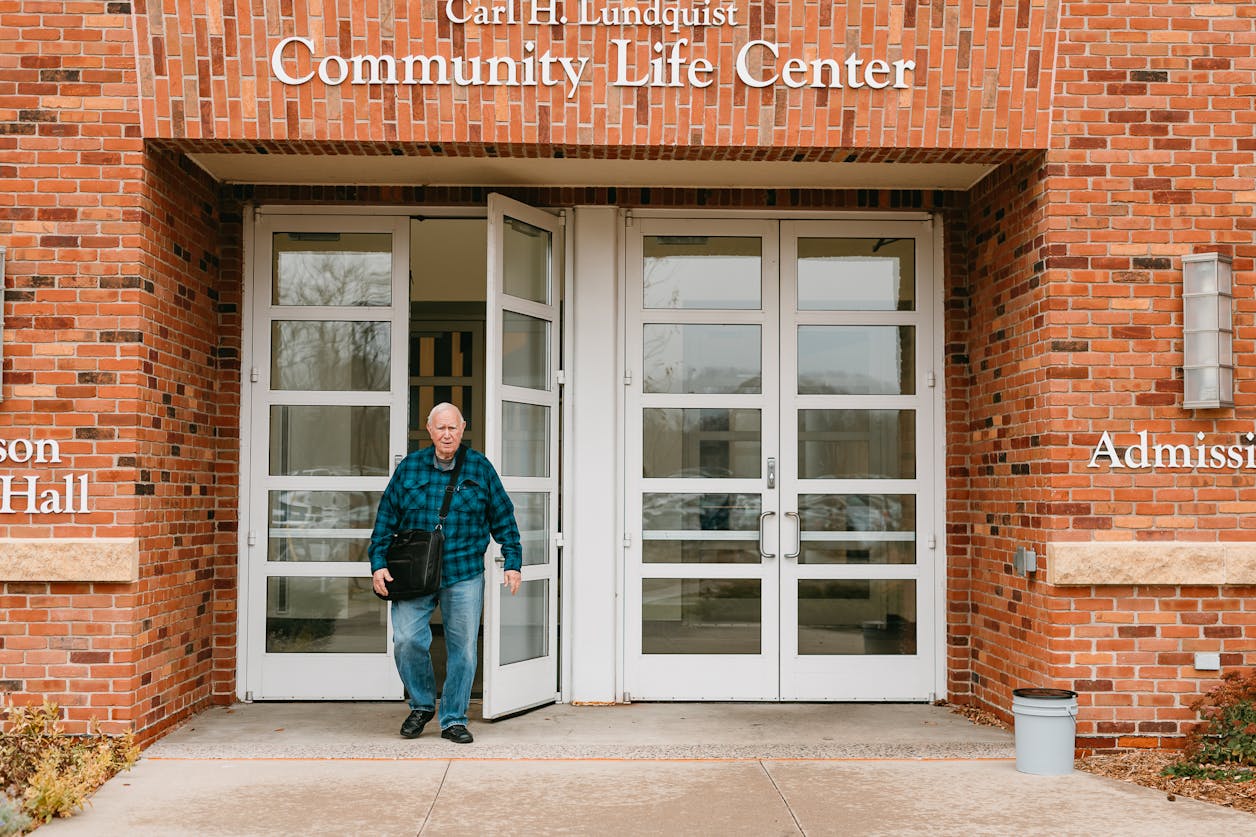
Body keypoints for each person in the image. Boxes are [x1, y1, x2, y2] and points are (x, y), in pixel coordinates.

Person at [369, 402, 522, 744]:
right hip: (414, 574)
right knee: (407, 640)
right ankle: (422, 705)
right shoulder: (409, 469)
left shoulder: (480, 468)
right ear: (430, 430)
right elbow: (385, 519)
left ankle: (453, 718)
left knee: (463, 649)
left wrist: (513, 561)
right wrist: (378, 563)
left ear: (463, 428)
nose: (447, 434)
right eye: (441, 428)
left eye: (453, 427)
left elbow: (504, 517)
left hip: (463, 571)